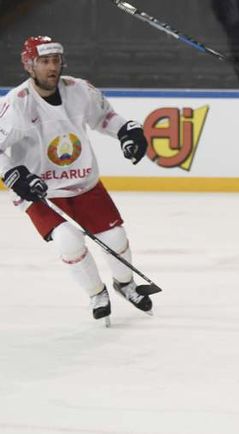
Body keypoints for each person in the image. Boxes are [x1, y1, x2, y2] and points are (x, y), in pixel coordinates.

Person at [0, 36, 154, 323]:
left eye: (55, 60)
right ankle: (97, 293)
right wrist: (14, 174)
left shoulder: (79, 89)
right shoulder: (17, 103)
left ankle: (125, 284)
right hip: (40, 189)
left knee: (116, 237)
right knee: (69, 242)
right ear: (30, 66)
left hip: (83, 181)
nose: (52, 67)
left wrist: (126, 133)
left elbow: (106, 117)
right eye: (44, 61)